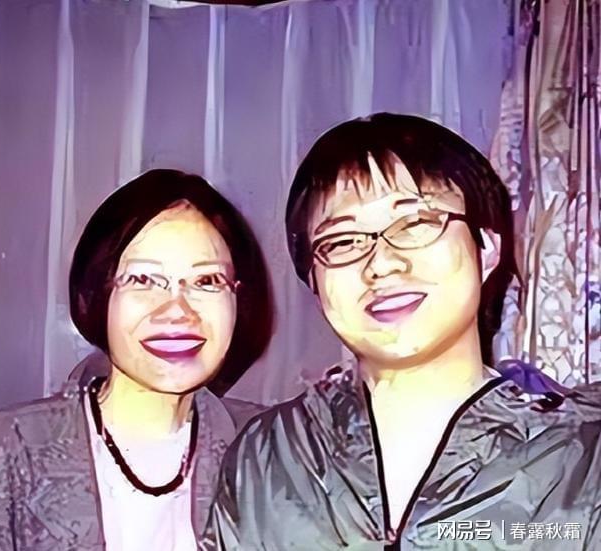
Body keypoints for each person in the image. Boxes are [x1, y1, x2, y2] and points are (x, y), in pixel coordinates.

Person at [204, 114, 601, 550]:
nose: (381, 264)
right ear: (314, 282)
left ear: (486, 249)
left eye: (415, 225)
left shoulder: (580, 457)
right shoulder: (267, 457)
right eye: (343, 242)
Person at [0, 169, 273, 550]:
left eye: (207, 281)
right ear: (97, 295)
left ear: (239, 300)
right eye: (142, 280)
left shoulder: (276, 452)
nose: (177, 311)